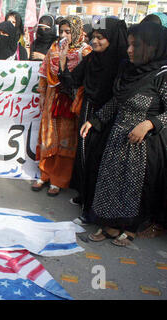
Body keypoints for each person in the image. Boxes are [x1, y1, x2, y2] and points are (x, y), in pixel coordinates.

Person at [80, 22, 167, 246]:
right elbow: (117, 101)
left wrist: (149, 123)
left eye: (136, 46)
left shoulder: (162, 74)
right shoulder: (127, 68)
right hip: (118, 136)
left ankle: (129, 228)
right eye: (128, 45)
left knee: (134, 186)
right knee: (110, 181)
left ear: (152, 47)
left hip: (144, 143)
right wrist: (94, 120)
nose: (129, 50)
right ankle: (110, 225)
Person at [57, 17, 128, 225]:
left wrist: (100, 118)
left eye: (101, 38)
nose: (95, 42)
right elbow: (73, 81)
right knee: (85, 156)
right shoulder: (91, 60)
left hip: (109, 119)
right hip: (87, 114)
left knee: (99, 162)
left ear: (112, 39)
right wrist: (63, 63)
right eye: (93, 37)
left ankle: (92, 211)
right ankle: (86, 199)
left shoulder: (121, 64)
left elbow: (119, 96)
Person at [31, 15, 92, 196]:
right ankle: (44, 174)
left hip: (70, 100)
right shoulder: (54, 47)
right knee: (49, 136)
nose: (64, 35)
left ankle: (58, 180)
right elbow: (44, 72)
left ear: (77, 32)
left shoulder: (85, 51)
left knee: (66, 140)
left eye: (68, 31)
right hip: (52, 97)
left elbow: (83, 78)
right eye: (61, 31)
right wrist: (42, 94)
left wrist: (66, 61)